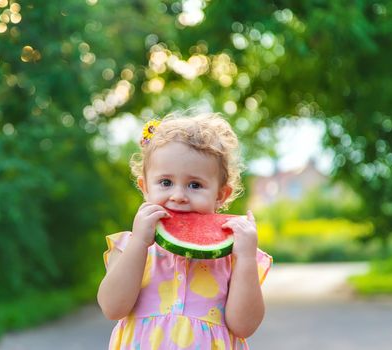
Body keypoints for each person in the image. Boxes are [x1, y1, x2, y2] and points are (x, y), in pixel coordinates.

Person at [97, 112, 272, 349]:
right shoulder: (128, 246)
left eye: (195, 185)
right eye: (166, 182)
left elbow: (244, 326)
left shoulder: (232, 257)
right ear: (145, 187)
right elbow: (112, 308)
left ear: (221, 195)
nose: (178, 196)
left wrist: (246, 258)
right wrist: (139, 243)